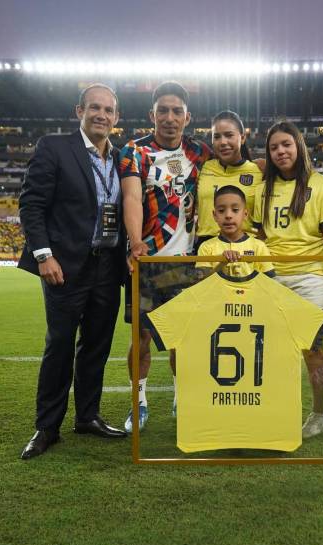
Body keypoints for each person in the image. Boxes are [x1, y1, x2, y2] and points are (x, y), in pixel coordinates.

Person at [18, 83, 127, 460]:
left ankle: (88, 416)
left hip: (108, 265)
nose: (101, 115)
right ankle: (47, 427)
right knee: (60, 345)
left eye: (108, 110)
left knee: (97, 345)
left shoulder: (122, 157)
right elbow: (31, 204)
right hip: (65, 265)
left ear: (116, 117)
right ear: (78, 110)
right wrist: (44, 255)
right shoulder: (55, 147)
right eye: (94, 107)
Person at [121, 81, 212, 432]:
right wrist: (135, 242)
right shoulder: (135, 151)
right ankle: (138, 402)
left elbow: (237, 164)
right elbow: (131, 197)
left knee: (184, 339)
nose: (170, 118)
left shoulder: (200, 153)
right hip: (145, 262)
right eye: (163, 111)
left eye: (177, 111)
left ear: (187, 117)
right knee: (140, 338)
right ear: (152, 115)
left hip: (187, 264)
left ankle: (181, 397)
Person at [252, 121, 323, 439]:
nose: (280, 151)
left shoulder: (319, 185)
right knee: (274, 349)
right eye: (274, 147)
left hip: (312, 278)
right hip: (272, 277)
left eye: (286, 145)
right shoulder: (261, 188)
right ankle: (278, 409)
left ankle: (320, 413)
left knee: (313, 348)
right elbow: (259, 234)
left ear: (299, 147)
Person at [195, 110, 263, 249]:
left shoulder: (258, 171)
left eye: (229, 135)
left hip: (244, 249)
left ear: (242, 138)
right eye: (217, 136)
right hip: (206, 248)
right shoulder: (204, 167)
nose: (223, 142)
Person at [197, 185, 275, 279]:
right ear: (214, 215)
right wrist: (222, 263)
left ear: (245, 214)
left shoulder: (259, 246)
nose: (228, 215)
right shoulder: (206, 248)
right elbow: (202, 284)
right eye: (221, 211)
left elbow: (269, 283)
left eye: (235, 210)